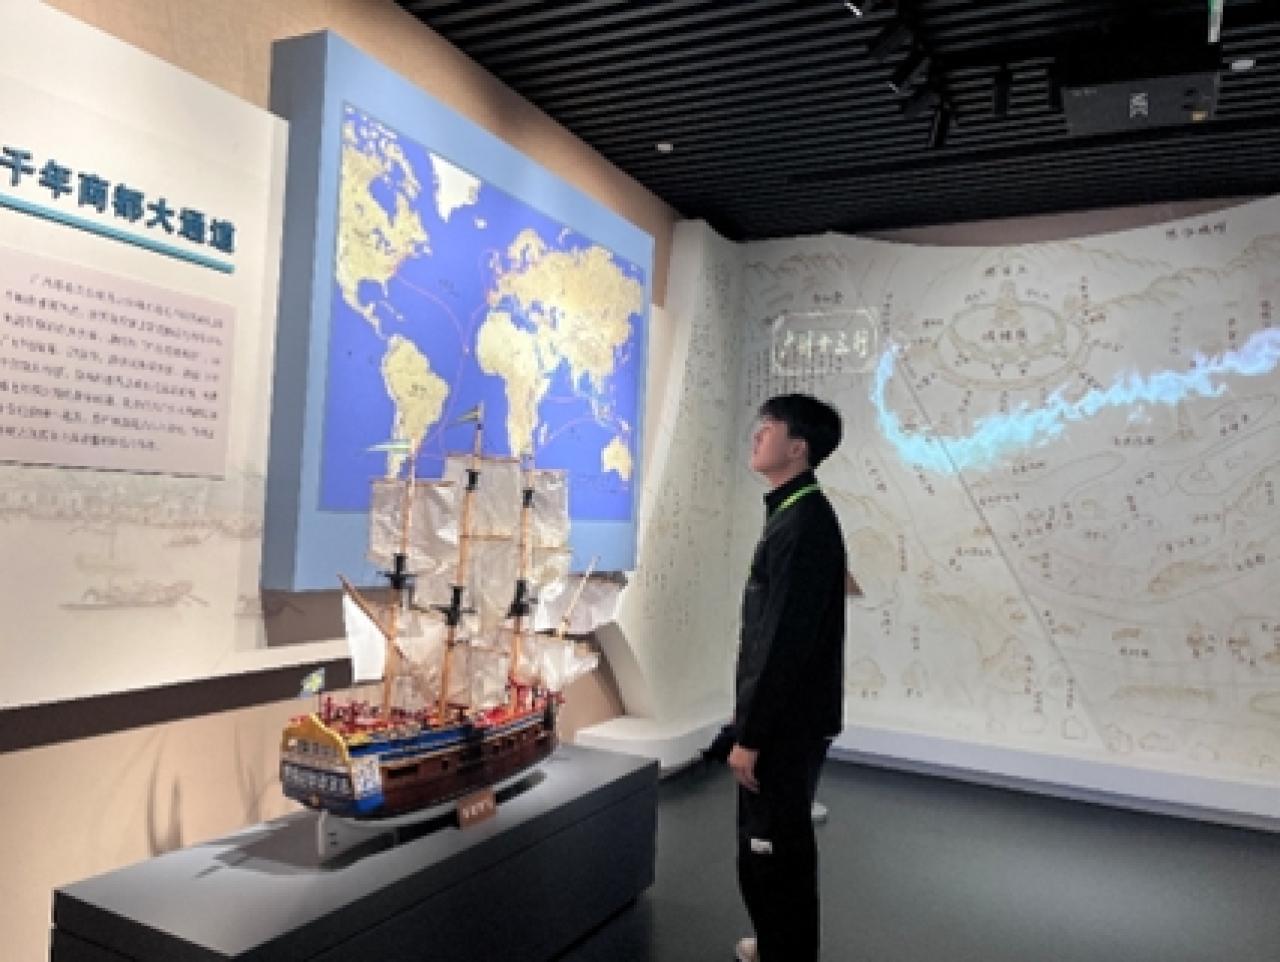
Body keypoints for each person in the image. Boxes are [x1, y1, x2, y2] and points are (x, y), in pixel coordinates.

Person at [730, 393, 847, 962]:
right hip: (787, 719)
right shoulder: (794, 512)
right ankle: (780, 945)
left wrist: (751, 736)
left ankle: (786, 953)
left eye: (770, 427)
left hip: (785, 726)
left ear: (797, 447)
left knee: (774, 850)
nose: (758, 435)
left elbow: (783, 643)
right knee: (772, 846)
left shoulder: (803, 523)